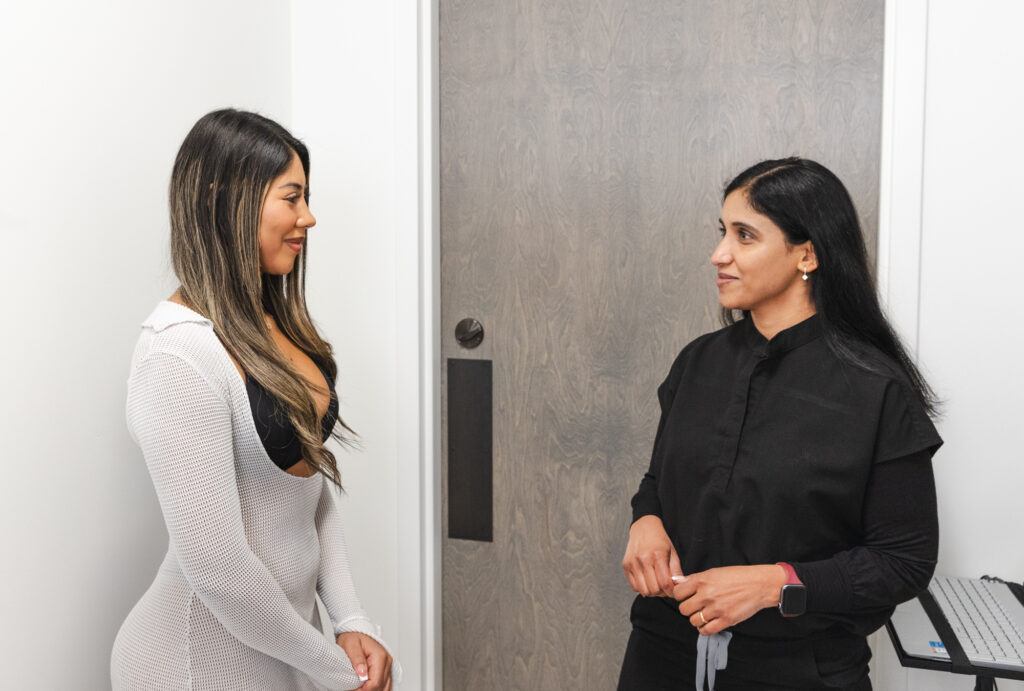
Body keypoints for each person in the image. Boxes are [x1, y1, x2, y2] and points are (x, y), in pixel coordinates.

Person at [618, 158, 941, 690]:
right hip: (660, 653)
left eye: (745, 236)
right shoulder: (697, 362)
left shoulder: (877, 390)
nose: (718, 254)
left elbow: (903, 561)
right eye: (723, 232)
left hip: (799, 670)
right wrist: (645, 523)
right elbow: (660, 482)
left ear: (807, 254)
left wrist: (776, 584)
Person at [111, 109, 398, 690]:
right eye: (291, 198)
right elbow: (220, 571)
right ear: (225, 199)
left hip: (281, 655)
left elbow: (307, 496)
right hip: (191, 665)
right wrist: (333, 671)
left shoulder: (270, 327)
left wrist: (349, 620)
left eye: (306, 197)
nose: (308, 217)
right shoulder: (177, 355)